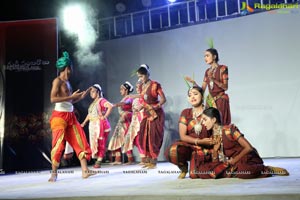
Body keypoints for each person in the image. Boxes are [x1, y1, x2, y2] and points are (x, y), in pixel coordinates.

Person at [197, 107, 289, 179]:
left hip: (246, 158)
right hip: (232, 163)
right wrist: (215, 151)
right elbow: (216, 162)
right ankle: (233, 171)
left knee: (244, 172)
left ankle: (267, 169)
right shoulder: (213, 137)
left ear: (213, 120)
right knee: (203, 170)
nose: (203, 123)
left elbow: (249, 148)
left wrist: (234, 161)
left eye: (205, 120)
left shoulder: (229, 130)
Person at [48, 51, 95, 182]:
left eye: (71, 68)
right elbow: (52, 98)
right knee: (58, 144)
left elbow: (69, 101)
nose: (70, 71)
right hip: (59, 117)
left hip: (71, 115)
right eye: (69, 68)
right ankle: (54, 174)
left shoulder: (68, 82)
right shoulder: (57, 81)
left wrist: (79, 97)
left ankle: (85, 171)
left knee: (80, 139)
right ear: (66, 68)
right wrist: (71, 97)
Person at [165, 86, 214, 179]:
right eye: (190, 95)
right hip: (190, 146)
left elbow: (216, 131)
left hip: (206, 148)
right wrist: (199, 141)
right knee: (172, 151)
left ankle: (203, 162)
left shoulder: (209, 112)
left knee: (195, 175)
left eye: (195, 94)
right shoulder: (186, 113)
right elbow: (183, 136)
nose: (192, 97)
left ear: (202, 96)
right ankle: (183, 167)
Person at [185, 48, 231, 125]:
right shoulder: (207, 71)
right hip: (210, 101)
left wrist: (213, 79)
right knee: (209, 124)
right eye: (204, 56)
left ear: (214, 56)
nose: (205, 58)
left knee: (220, 124)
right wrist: (194, 83)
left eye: (207, 55)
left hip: (220, 100)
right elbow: (202, 90)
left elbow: (225, 87)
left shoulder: (223, 68)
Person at [135, 64, 166, 169]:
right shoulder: (140, 87)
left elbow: (163, 99)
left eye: (142, 76)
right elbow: (143, 101)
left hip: (156, 114)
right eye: (139, 77)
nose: (140, 79)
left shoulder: (155, 85)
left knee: (153, 137)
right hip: (146, 113)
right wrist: (139, 108)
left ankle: (153, 161)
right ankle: (148, 160)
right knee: (143, 136)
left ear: (147, 74)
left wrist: (155, 107)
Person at [81, 84, 113, 168]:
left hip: (100, 125)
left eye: (93, 91)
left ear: (98, 92)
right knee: (95, 144)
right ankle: (98, 160)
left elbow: (110, 106)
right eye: (90, 92)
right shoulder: (93, 103)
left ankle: (99, 162)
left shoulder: (101, 100)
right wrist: (84, 122)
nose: (91, 93)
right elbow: (89, 114)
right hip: (93, 125)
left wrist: (104, 116)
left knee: (101, 143)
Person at [108, 81, 134, 165]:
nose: (120, 91)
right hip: (122, 121)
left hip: (127, 120)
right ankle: (118, 159)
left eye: (121, 89)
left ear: (126, 90)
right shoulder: (124, 98)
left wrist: (115, 105)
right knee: (116, 139)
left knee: (127, 139)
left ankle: (130, 160)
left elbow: (125, 103)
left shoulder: (129, 98)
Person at [122, 81, 145, 165]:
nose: (138, 89)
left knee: (140, 139)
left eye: (140, 87)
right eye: (136, 87)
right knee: (129, 139)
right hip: (134, 121)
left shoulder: (145, 97)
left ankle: (144, 158)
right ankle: (130, 159)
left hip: (142, 120)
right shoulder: (135, 99)